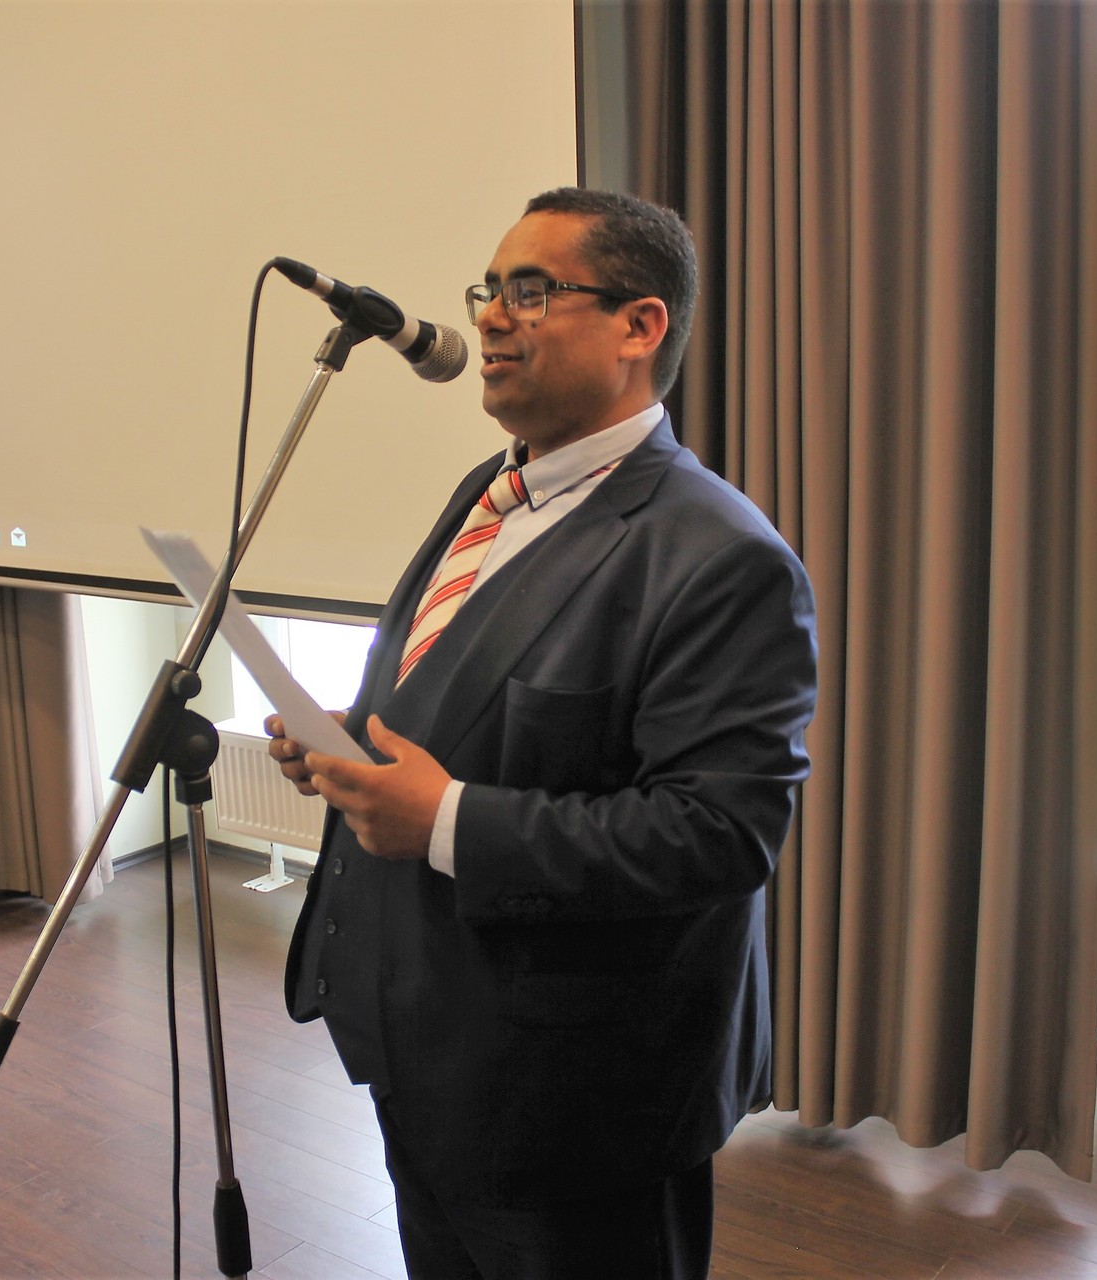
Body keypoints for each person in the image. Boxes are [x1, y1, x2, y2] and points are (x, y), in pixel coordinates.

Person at [266, 188, 818, 1278]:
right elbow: (459, 699)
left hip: (577, 1102)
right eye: (490, 288)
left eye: (532, 290)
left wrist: (445, 819)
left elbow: (718, 835)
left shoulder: (723, 557)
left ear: (640, 326)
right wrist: (348, 745)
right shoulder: (492, 488)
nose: (489, 316)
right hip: (421, 1045)